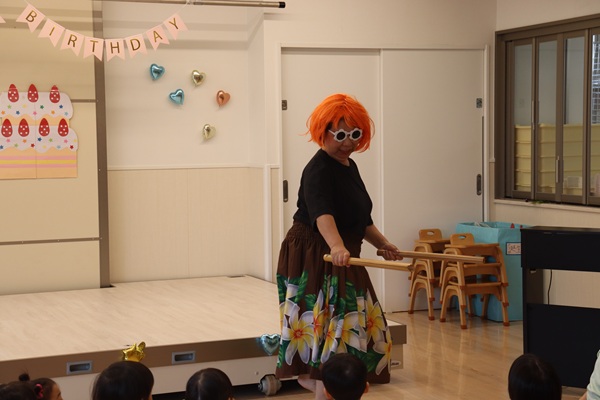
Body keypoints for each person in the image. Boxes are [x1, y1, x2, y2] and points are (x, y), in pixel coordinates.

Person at [275, 93, 402, 400]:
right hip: (315, 251)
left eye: (355, 134)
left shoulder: (349, 166)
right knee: (328, 323)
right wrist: (337, 246)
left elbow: (361, 219)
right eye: (340, 135)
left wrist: (384, 244)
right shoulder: (318, 168)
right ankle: (322, 384)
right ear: (324, 132)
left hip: (341, 251)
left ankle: (331, 385)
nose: (348, 142)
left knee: (354, 320)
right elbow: (323, 214)